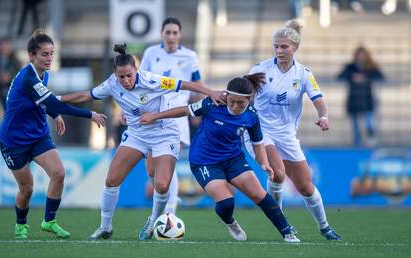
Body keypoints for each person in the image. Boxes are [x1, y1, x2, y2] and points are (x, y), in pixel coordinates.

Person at [58, 44, 223, 241]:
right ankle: (105, 227)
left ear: (136, 70)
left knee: (161, 185)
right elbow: (87, 95)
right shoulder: (112, 84)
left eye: (130, 75)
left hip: (164, 133)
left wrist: (210, 93)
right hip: (137, 134)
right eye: (122, 77)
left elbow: (186, 84)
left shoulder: (152, 80)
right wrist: (55, 99)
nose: (126, 80)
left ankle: (153, 220)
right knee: (112, 180)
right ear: (115, 74)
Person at [140, 74, 300, 242]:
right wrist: (154, 116)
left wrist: (264, 163)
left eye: (241, 103)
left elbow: (257, 142)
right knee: (226, 204)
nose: (236, 106)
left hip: (233, 159)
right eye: (232, 101)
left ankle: (287, 232)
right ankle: (230, 222)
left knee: (260, 195)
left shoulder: (252, 115)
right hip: (204, 161)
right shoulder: (212, 103)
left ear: (249, 99)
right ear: (226, 95)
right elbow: (184, 110)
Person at [0, 29, 107, 239]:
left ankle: (49, 221)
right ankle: (21, 225)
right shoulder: (28, 78)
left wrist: (54, 113)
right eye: (44, 54)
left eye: (51, 53)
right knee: (27, 189)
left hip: (38, 134)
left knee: (58, 173)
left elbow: (43, 103)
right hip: (14, 140)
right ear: (32, 55)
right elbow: (54, 102)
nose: (49, 58)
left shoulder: (43, 74)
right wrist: (89, 114)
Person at [246, 20, 341, 241]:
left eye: (284, 47)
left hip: (287, 134)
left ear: (295, 47)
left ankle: (325, 227)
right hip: (260, 130)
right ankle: (281, 223)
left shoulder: (304, 74)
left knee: (306, 186)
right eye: (276, 46)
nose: (279, 51)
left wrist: (323, 117)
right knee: (277, 173)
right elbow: (244, 95)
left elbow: (318, 99)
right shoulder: (260, 70)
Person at [139, 17, 203, 215]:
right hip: (153, 113)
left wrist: (198, 110)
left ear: (180, 35)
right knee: (152, 169)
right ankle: (167, 199)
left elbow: (197, 84)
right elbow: (140, 82)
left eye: (175, 33)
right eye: (168, 32)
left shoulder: (190, 56)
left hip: (178, 114)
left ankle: (170, 211)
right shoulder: (151, 53)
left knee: (168, 162)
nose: (171, 36)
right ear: (162, 34)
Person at [337, 46, 384, 147]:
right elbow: (340, 76)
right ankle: (357, 146)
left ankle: (371, 143)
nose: (361, 57)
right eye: (359, 55)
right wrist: (352, 77)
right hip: (353, 100)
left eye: (363, 55)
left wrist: (365, 78)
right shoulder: (350, 67)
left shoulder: (371, 67)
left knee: (369, 125)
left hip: (367, 100)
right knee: (356, 128)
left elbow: (381, 77)